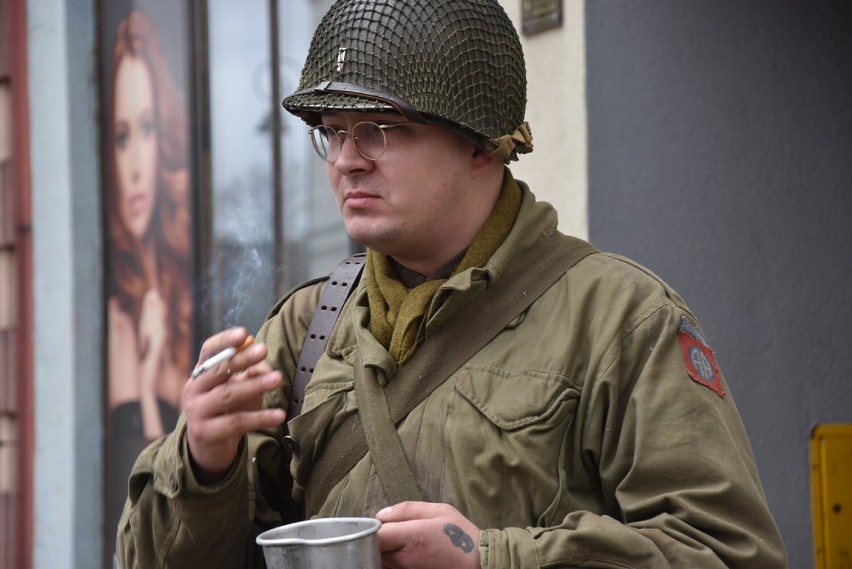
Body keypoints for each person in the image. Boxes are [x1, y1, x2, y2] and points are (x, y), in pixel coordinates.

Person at [116, 0, 788, 567]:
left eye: (380, 129)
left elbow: (727, 551)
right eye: (334, 133)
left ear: (479, 143)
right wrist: (204, 463)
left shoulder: (620, 319)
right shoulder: (307, 326)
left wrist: (489, 556)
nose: (347, 160)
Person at [105, 8, 193, 549]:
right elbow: (149, 521)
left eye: (145, 129)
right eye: (119, 138)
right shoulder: (119, 322)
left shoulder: (183, 298)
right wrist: (143, 380)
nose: (135, 163)